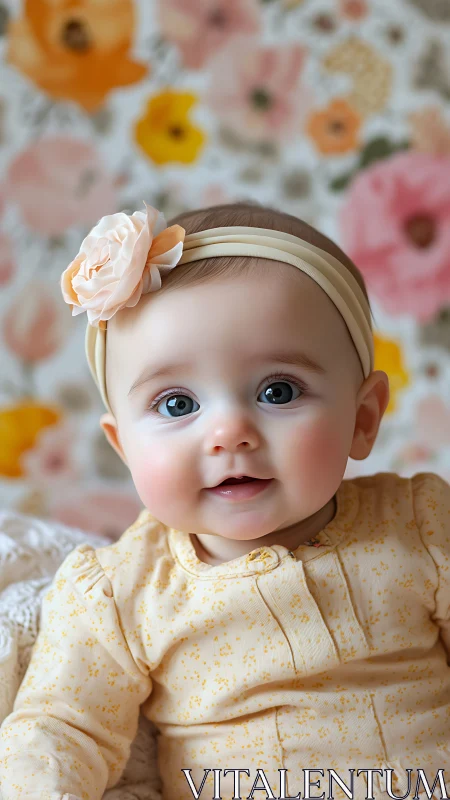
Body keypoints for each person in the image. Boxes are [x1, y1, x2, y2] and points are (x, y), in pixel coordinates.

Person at [0, 201, 449, 800]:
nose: (229, 432)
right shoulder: (119, 591)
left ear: (362, 419)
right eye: (177, 404)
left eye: (278, 391)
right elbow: (60, 728)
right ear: (125, 447)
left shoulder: (418, 525)